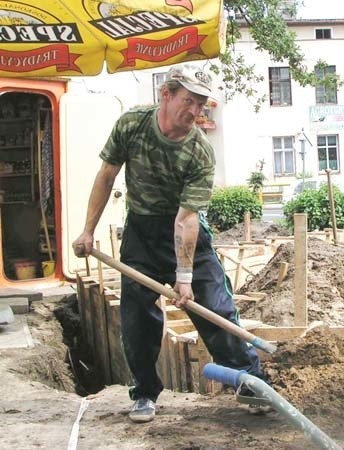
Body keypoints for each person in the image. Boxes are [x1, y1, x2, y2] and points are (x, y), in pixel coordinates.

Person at [72, 64, 266, 423]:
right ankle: (145, 392)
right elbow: (106, 175)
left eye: (201, 105)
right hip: (141, 232)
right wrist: (87, 231)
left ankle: (251, 382)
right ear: (166, 94)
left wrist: (185, 275)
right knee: (137, 317)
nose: (195, 111)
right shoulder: (133, 124)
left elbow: (187, 219)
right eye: (189, 101)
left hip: (186, 233)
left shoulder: (199, 150)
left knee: (216, 309)